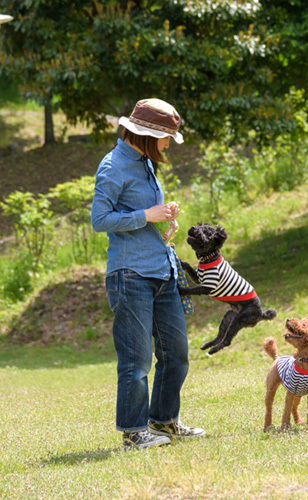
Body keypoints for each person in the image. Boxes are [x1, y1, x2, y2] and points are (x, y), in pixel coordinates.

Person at [91, 98, 205, 449]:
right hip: (130, 276)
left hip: (162, 270)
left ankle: (164, 421)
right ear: (145, 135)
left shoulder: (145, 164)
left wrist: (164, 221)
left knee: (177, 353)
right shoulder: (112, 167)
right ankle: (133, 432)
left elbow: (145, 213)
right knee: (137, 359)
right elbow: (100, 219)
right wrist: (146, 216)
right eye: (166, 137)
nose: (168, 144)